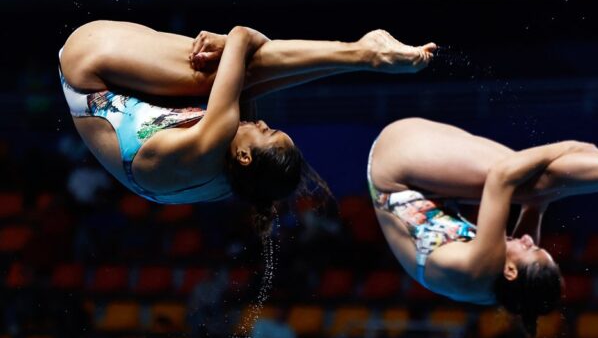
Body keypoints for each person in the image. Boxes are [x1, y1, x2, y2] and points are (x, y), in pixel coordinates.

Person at [59, 21, 435, 231]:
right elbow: (249, 74)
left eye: (267, 132)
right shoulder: (239, 176)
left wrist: (228, 42)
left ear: (243, 155)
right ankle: (361, 55)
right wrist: (237, 51)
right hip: (133, 94)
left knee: (209, 70)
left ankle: (365, 53)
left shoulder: (210, 144)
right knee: (240, 75)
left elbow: (242, 37)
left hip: (89, 65)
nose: (263, 122)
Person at [368, 118, 598, 336]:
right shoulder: (505, 284)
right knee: (541, 187)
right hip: (425, 181)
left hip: (397, 164)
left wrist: (565, 147)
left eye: (530, 249)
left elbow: (501, 179)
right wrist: (551, 194)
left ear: (509, 270)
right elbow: (533, 209)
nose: (526, 239)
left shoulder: (475, 267)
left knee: (531, 181)